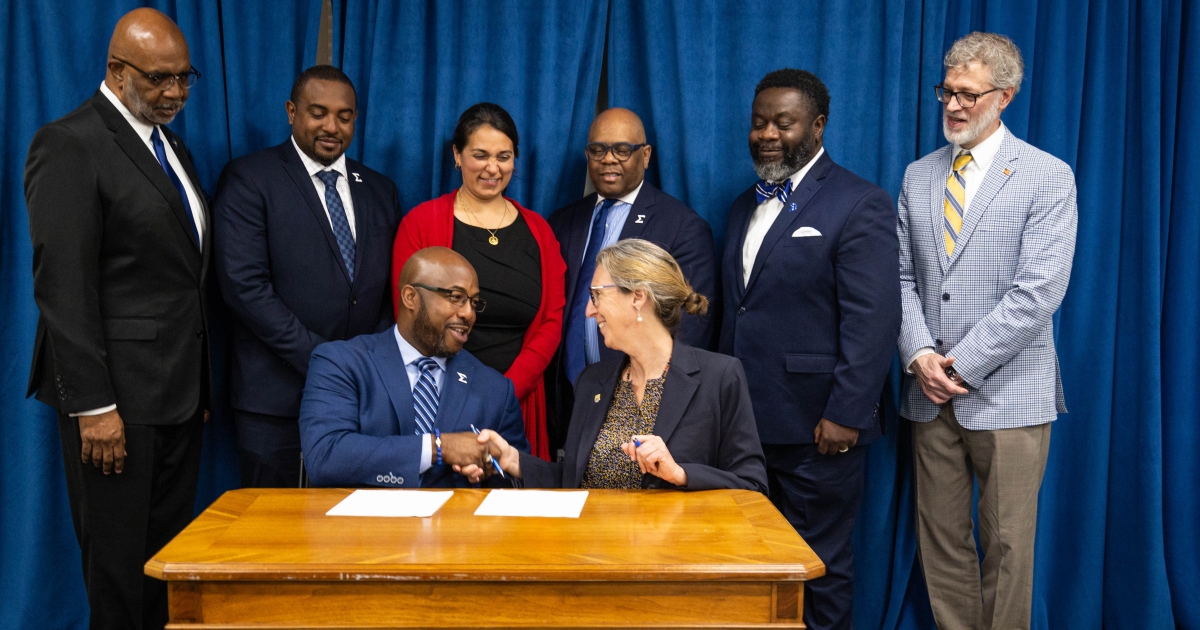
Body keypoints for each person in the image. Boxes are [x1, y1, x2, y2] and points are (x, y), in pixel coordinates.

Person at [24, 8, 210, 628]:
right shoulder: (70, 143)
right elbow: (63, 286)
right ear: (116, 70)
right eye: (159, 79)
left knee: (163, 570)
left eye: (185, 78)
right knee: (118, 575)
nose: (174, 93)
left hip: (176, 396)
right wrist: (94, 407)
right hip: (117, 407)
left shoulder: (169, 146)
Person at [897, 32, 1077, 630]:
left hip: (1009, 394)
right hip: (927, 393)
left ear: (1006, 96)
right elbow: (899, 279)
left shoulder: (1047, 176)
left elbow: (1038, 292)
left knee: (1007, 548)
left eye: (968, 95)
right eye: (946, 92)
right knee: (942, 543)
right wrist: (921, 354)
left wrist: (959, 366)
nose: (953, 105)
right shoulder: (917, 176)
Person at [718, 69, 901, 630]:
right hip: (744, 423)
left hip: (817, 427)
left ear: (817, 126)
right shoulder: (739, 206)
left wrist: (846, 413)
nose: (767, 133)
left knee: (819, 562)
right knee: (750, 563)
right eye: (758, 122)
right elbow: (740, 311)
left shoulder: (858, 202)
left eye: (783, 122)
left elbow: (873, 320)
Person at [213, 65, 402, 488]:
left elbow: (390, 290)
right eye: (318, 113)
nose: (331, 126)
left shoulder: (379, 189)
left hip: (360, 400)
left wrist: (364, 367)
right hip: (274, 399)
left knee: (349, 537)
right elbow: (244, 287)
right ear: (291, 112)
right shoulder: (250, 178)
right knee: (272, 536)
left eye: (345, 116)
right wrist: (325, 361)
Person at [465, 239, 766, 494]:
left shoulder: (720, 377)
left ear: (637, 297)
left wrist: (681, 474)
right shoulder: (591, 381)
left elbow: (752, 486)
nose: (588, 310)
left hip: (674, 556)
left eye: (596, 295)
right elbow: (573, 481)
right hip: (593, 552)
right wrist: (511, 459)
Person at [391, 103, 565, 460]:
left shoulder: (540, 231)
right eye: (480, 155)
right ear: (457, 155)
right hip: (438, 399)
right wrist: (465, 394)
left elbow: (552, 320)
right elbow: (409, 317)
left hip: (519, 400)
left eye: (504, 156)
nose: (492, 167)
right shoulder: (421, 223)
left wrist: (504, 393)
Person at [547, 108, 717, 453]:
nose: (609, 160)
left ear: (646, 155)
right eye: (598, 150)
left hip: (639, 405)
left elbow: (691, 330)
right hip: (567, 404)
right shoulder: (563, 222)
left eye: (622, 150)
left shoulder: (680, 226)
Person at [299, 247, 529, 487]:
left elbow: (517, 482)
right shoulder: (342, 363)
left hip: (457, 522)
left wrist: (490, 468)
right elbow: (325, 457)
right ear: (411, 297)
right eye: (456, 297)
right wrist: (438, 447)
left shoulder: (495, 389)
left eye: (474, 302)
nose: (468, 313)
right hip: (362, 523)